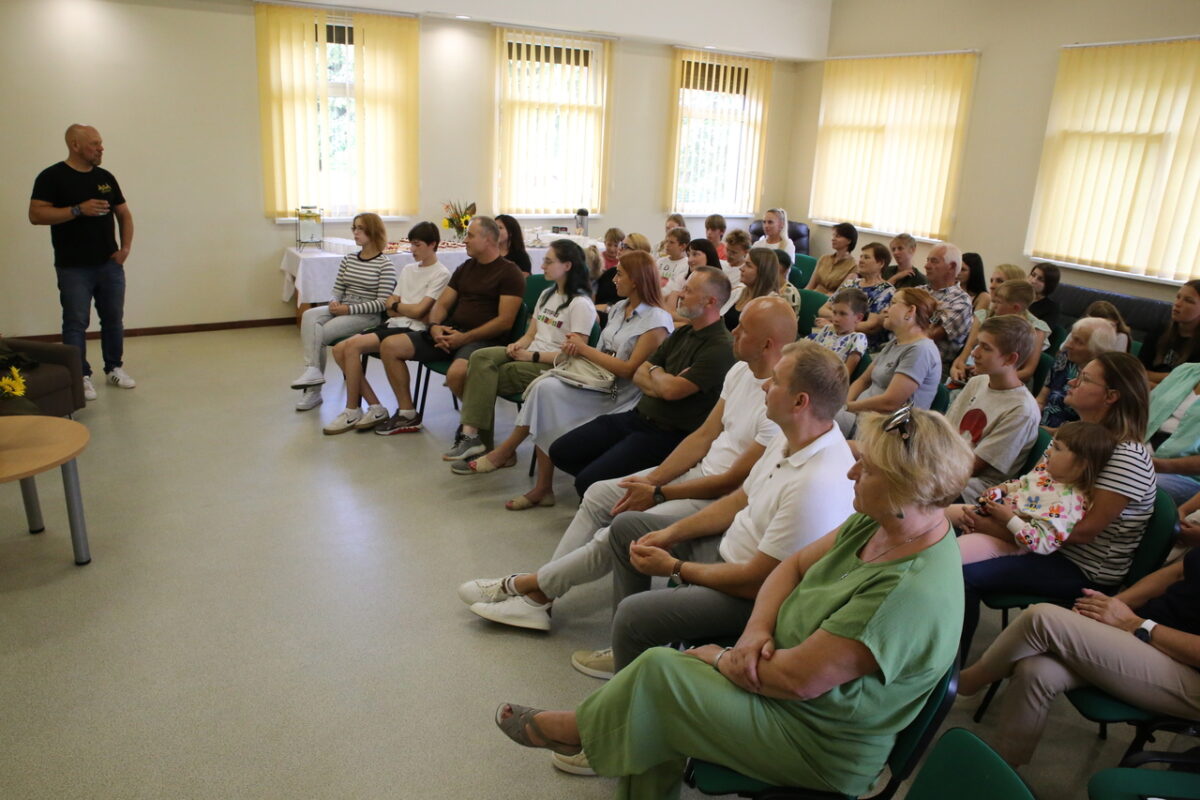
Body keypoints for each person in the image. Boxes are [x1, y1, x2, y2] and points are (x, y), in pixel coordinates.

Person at [493, 407, 973, 799]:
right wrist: (754, 633)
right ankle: (593, 733)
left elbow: (797, 681)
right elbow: (791, 566)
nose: (851, 472)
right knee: (659, 691)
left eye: (865, 469)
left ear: (906, 489)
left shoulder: (910, 593)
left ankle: (580, 730)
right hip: (778, 675)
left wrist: (719, 657)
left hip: (818, 739)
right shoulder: (882, 519)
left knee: (661, 676)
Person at [459, 297, 797, 631]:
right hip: (697, 472)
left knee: (619, 530)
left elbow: (733, 482)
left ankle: (531, 589)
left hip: (716, 497)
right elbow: (703, 436)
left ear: (767, 344)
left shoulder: (778, 401)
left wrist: (659, 492)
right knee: (598, 494)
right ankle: (541, 594)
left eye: (743, 329)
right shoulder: (740, 371)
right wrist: (653, 481)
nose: (733, 330)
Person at [597, 340, 857, 675]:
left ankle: (629, 683)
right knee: (628, 528)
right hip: (729, 550)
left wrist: (675, 568)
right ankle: (633, 654)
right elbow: (739, 499)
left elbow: (756, 582)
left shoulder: (816, 485)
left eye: (776, 381)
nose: (765, 386)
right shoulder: (790, 433)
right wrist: (670, 533)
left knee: (632, 616)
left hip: (749, 597)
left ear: (800, 401)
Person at [955, 352, 1156, 663]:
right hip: (1037, 537)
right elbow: (1033, 488)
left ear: (1111, 396)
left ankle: (946, 673)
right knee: (941, 535)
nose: (1072, 381)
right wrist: (993, 510)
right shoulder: (1074, 433)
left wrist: (998, 526)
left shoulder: (1126, 457)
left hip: (1077, 564)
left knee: (961, 576)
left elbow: (1084, 532)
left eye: (1085, 379)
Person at [452, 251, 671, 512]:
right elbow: (601, 351)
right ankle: (539, 484)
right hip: (596, 379)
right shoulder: (619, 308)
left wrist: (582, 349)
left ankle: (511, 457)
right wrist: (581, 351)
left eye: (620, 274)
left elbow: (628, 371)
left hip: (620, 394)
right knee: (545, 389)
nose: (614, 279)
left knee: (545, 390)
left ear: (636, 280)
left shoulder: (656, 321)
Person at [959, 552, 1200, 767]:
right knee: (1035, 670)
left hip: (1188, 674)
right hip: (1148, 631)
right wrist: (1112, 605)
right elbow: (1180, 571)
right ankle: (1003, 769)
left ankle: (963, 685)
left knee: (1041, 619)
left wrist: (1133, 623)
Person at [548, 267, 736, 497]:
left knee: (588, 480)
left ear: (710, 301)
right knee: (560, 451)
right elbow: (639, 373)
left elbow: (671, 391)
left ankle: (608, 494)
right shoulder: (683, 333)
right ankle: (609, 492)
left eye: (688, 290)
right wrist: (661, 375)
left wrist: (657, 376)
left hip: (668, 434)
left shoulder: (721, 347)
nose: (680, 294)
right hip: (637, 417)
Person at [356, 216, 524, 437]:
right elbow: (442, 304)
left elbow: (504, 321)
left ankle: (472, 425)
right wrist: (435, 326)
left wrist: (464, 338)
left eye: (470, 236)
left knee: (456, 373)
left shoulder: (509, 272)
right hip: (450, 333)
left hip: (482, 340)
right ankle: (407, 414)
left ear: (488, 239)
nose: (465, 240)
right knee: (390, 346)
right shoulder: (466, 267)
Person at [441, 240, 596, 461]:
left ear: (567, 266)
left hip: (553, 366)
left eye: (548, 261)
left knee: (483, 377)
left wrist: (531, 355)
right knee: (480, 357)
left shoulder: (580, 303)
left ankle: (478, 443)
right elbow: (530, 335)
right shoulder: (547, 294)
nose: (542, 266)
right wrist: (519, 345)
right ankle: (475, 440)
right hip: (530, 354)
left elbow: (575, 355)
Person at [29, 124, 135, 400]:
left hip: (109, 264)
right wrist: (78, 210)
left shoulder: (105, 177)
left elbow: (124, 214)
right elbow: (36, 215)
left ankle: (114, 367)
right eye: (94, 144)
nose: (101, 148)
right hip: (73, 267)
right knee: (75, 322)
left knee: (113, 319)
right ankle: (81, 375)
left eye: (101, 143)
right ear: (75, 145)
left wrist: (125, 249)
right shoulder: (52, 177)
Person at [321, 222, 449, 425]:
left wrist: (398, 306)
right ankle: (375, 407)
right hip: (393, 323)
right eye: (411, 244)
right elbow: (389, 308)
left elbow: (419, 312)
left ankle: (352, 409)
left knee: (351, 347)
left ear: (433, 244)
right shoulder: (408, 269)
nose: (412, 249)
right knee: (338, 350)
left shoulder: (441, 273)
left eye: (417, 245)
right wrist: (402, 307)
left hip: (413, 329)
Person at [951, 421, 1117, 562]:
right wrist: (1003, 489)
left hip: (1012, 541)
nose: (1049, 452)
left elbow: (1042, 543)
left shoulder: (1069, 504)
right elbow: (1022, 483)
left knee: (952, 554)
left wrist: (1009, 519)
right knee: (942, 513)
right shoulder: (1047, 472)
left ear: (1081, 463)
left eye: (1057, 448)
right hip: (996, 517)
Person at [291, 213, 397, 421]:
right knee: (309, 316)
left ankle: (313, 390)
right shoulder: (349, 259)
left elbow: (381, 303)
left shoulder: (385, 265)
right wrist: (333, 301)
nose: (355, 233)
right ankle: (313, 373)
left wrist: (348, 310)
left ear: (373, 232)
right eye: (354, 228)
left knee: (320, 334)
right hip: (344, 306)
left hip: (366, 315)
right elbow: (337, 288)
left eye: (360, 229)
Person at [944, 315, 1042, 501]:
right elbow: (946, 432)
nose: (975, 353)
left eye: (986, 348)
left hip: (971, 488)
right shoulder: (978, 382)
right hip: (946, 467)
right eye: (977, 344)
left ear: (1010, 359)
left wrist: (926, 466)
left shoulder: (1022, 410)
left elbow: (974, 467)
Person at [836, 288, 942, 437]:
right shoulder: (895, 343)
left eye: (893, 303)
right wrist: (844, 407)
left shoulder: (921, 350)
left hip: (886, 435)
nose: (885, 309)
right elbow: (863, 380)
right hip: (861, 419)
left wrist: (848, 408)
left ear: (910, 311)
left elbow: (890, 403)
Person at [948, 280, 1049, 387]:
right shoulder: (989, 319)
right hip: (975, 375)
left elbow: (1027, 372)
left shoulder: (1031, 331)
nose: (994, 306)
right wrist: (956, 369)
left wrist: (986, 377)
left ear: (1015, 308)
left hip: (1002, 383)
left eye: (998, 302)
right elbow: (967, 349)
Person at [1037, 317, 1119, 430]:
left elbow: (1092, 429)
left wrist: (1043, 432)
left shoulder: (1104, 378)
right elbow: (1041, 400)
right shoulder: (1064, 359)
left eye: (1078, 341)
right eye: (1072, 338)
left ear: (1097, 350)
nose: (1068, 345)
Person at [815, 242, 895, 349]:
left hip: (861, 345)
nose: (861, 260)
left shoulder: (886, 290)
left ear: (880, 263)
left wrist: (833, 324)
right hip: (836, 337)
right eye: (861, 256)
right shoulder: (850, 284)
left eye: (866, 257)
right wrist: (843, 321)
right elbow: (822, 310)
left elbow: (870, 326)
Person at [1146, 361, 1200, 507]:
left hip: (1182, 476)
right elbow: (1143, 413)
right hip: (1141, 453)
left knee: (1133, 482)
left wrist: (1157, 465)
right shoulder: (1185, 370)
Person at [923, 243, 974, 379]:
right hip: (903, 353)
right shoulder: (919, 291)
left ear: (951, 266)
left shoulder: (961, 301)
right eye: (927, 260)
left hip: (933, 367)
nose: (926, 266)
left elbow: (929, 336)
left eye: (934, 261)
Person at [1140, 280, 1200, 386]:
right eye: (1178, 297)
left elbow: (1191, 384)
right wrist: (1173, 378)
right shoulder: (1159, 330)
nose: (1177, 304)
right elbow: (1138, 371)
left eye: (1188, 301)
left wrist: (1152, 381)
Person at [808, 287, 868, 377]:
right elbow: (811, 353)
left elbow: (845, 375)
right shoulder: (827, 329)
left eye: (843, 314)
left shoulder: (858, 338)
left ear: (858, 318)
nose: (836, 319)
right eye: (834, 313)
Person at [722, 248, 781, 331]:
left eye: (748, 265)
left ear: (762, 272)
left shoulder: (770, 304)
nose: (741, 268)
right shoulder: (739, 292)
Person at [805, 222, 857, 294]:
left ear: (849, 241)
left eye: (838, 236)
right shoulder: (824, 258)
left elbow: (840, 294)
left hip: (830, 299)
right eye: (833, 235)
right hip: (813, 295)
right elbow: (810, 286)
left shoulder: (853, 266)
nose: (833, 239)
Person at [657, 227, 691, 295]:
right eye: (666, 241)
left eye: (671, 242)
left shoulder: (687, 264)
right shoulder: (660, 261)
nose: (667, 245)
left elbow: (677, 288)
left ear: (683, 246)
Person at [1028, 262, 1062, 328]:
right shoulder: (1017, 295)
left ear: (1049, 284)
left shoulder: (1052, 308)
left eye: (1040, 279)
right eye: (1033, 275)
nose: (1033, 281)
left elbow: (1042, 331)